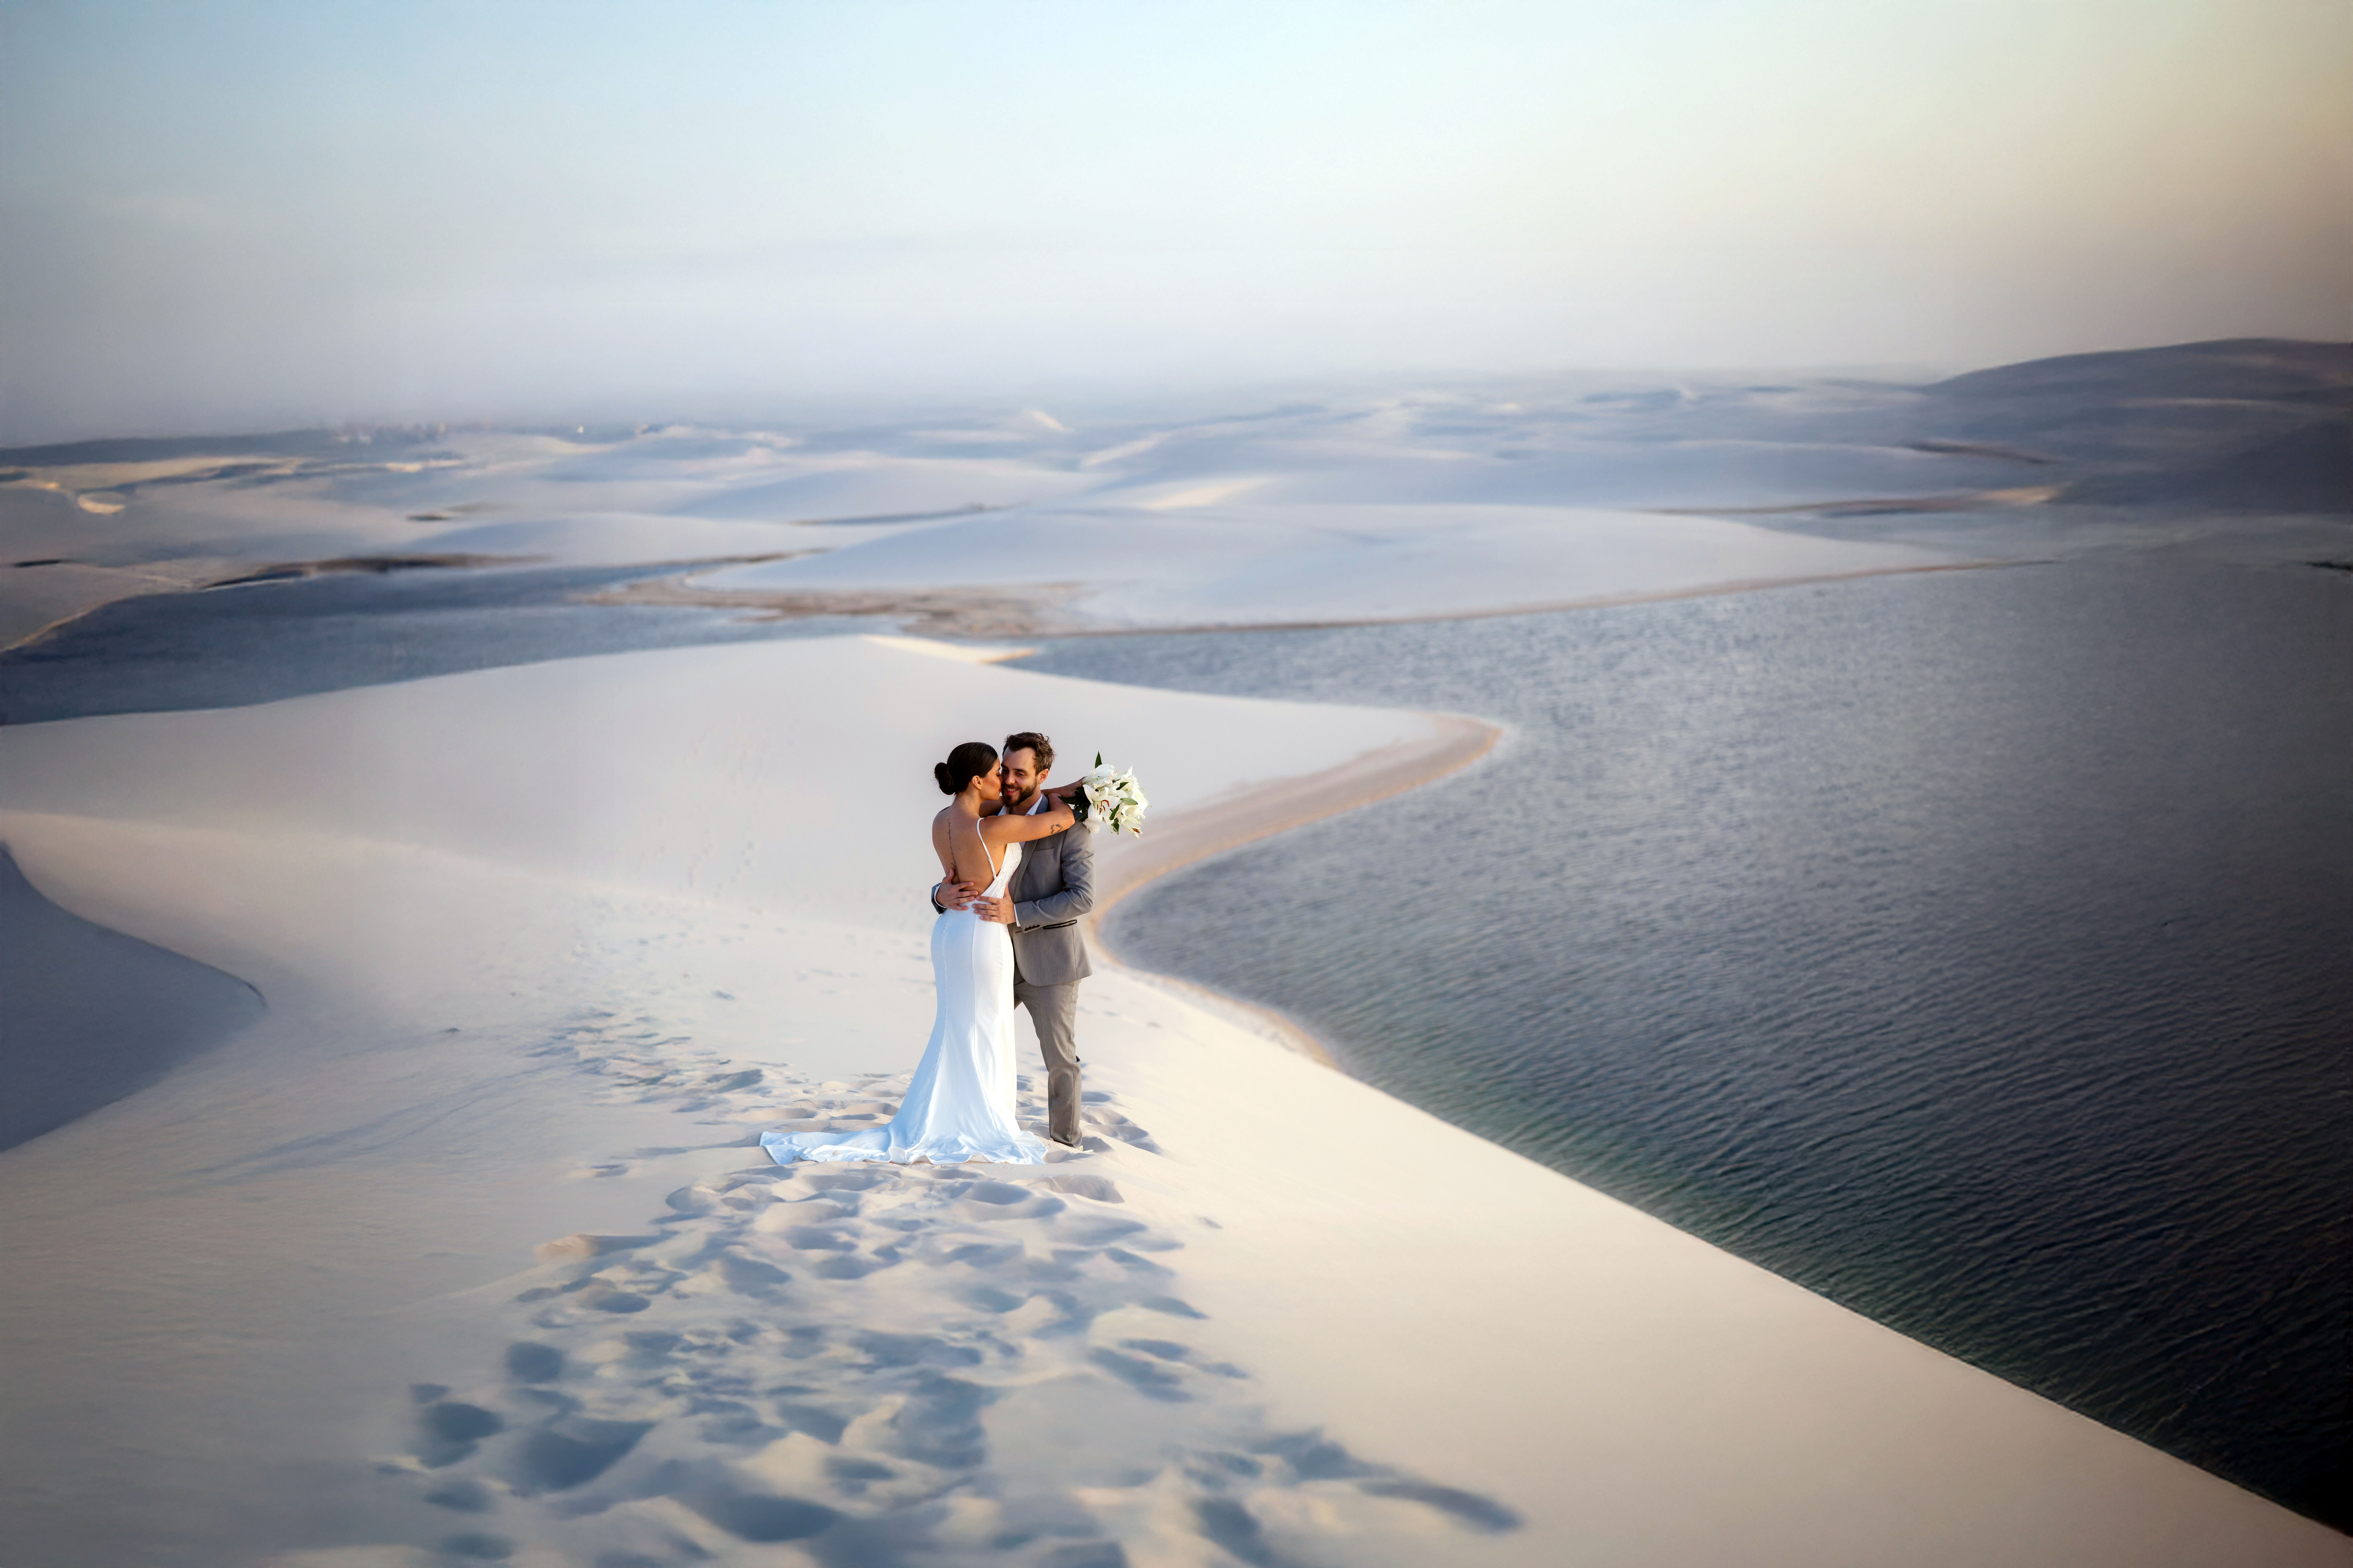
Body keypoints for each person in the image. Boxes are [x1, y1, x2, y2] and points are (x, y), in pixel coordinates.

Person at [760, 741, 1078, 1167]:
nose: (1004, 781)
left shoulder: (942, 821)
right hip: (982, 935)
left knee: (956, 1025)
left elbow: (974, 843)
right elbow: (1061, 820)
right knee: (984, 1025)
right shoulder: (992, 830)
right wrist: (1067, 794)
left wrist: (939, 892)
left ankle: (950, 1109)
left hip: (949, 931)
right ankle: (980, 1116)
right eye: (999, 773)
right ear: (978, 780)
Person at [937, 731, 1094, 1148]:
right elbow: (959, 873)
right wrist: (938, 894)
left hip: (1050, 960)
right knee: (973, 1038)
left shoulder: (1072, 830)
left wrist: (1018, 913)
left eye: (1018, 773)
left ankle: (1065, 1141)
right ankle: (971, 1121)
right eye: (1003, 770)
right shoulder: (989, 814)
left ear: (1042, 775)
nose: (1007, 780)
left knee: (1060, 1059)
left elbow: (1083, 897)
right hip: (992, 955)